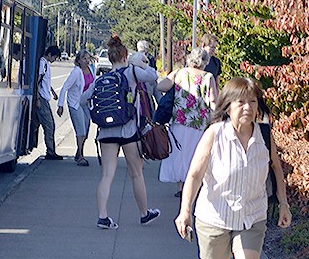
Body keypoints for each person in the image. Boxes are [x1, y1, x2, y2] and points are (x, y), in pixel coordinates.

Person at [174, 77, 292, 259]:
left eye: (252, 102)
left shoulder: (264, 135)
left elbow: (276, 169)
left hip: (252, 214)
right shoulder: (215, 133)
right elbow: (195, 174)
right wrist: (185, 210)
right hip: (214, 215)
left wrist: (284, 204)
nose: (248, 108)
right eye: (241, 102)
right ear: (228, 106)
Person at [95, 34, 161, 230]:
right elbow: (154, 76)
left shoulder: (103, 78)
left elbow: (84, 99)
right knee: (136, 173)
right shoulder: (131, 73)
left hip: (106, 133)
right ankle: (144, 213)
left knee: (107, 175)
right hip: (128, 131)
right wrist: (139, 63)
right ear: (125, 57)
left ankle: (102, 216)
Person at [157, 47, 218, 197]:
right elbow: (213, 101)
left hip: (179, 119)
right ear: (205, 61)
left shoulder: (180, 73)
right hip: (199, 122)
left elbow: (161, 86)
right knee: (195, 154)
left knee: (179, 154)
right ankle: (192, 185)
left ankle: (181, 187)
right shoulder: (208, 77)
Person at [57, 49, 93, 166]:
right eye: (84, 59)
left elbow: (93, 86)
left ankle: (78, 151)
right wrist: (60, 105)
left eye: (88, 58)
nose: (87, 61)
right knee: (80, 130)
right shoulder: (76, 72)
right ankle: (81, 156)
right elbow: (64, 87)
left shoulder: (91, 70)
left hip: (86, 103)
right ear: (78, 60)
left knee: (86, 130)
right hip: (75, 103)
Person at [36, 45, 63, 160]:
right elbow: (38, 80)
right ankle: (50, 152)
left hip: (44, 96)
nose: (54, 60)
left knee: (47, 124)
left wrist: (52, 92)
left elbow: (45, 81)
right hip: (41, 98)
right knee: (49, 125)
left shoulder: (46, 64)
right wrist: (37, 98)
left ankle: (51, 150)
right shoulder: (42, 63)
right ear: (50, 54)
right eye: (55, 57)